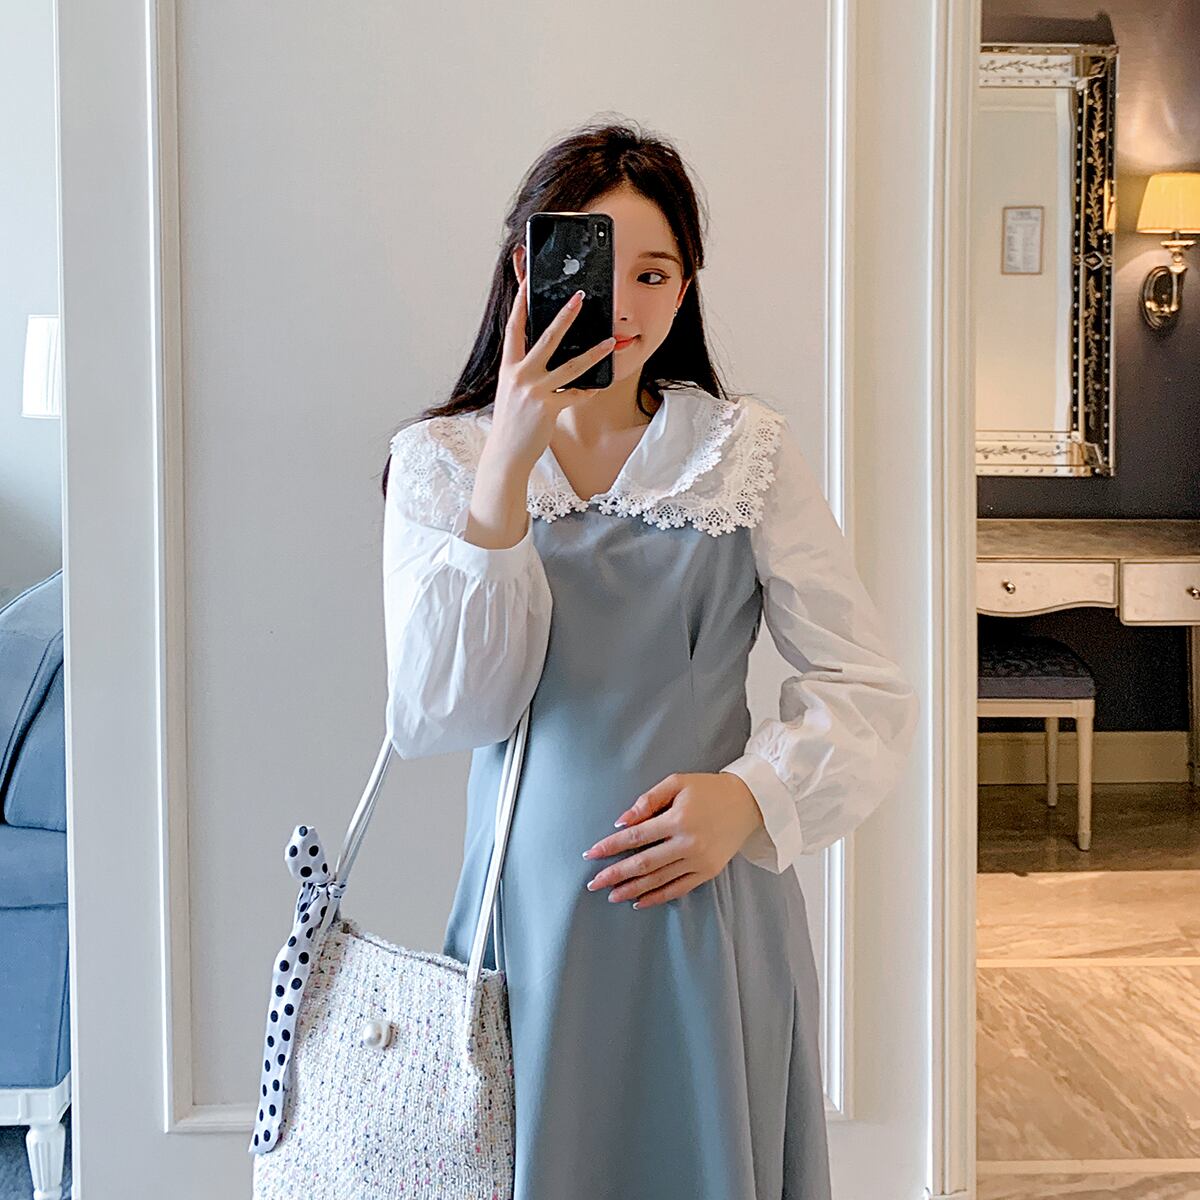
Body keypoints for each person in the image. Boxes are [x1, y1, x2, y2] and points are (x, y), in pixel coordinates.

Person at [381, 119, 920, 1200]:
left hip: (708, 916)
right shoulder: (443, 459)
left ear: (687, 288)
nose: (621, 303)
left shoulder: (740, 452)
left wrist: (751, 797)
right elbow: (443, 712)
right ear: (528, 269)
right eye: (594, 265)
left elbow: (865, 682)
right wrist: (505, 467)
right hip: (527, 926)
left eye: (655, 273)